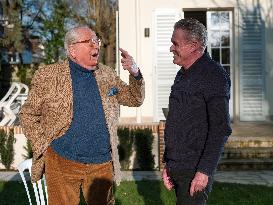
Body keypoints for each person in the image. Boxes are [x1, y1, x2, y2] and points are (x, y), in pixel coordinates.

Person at [20, 26, 145, 205]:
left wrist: (135, 73)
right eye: (89, 41)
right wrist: (44, 145)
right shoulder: (48, 76)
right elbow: (28, 114)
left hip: (101, 163)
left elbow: (135, 99)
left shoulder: (107, 74)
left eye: (97, 40)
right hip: (61, 161)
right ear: (73, 50)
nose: (96, 45)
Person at [162, 18, 232, 205]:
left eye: (175, 44)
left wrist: (204, 171)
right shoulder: (182, 74)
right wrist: (168, 163)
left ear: (193, 46)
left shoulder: (214, 76)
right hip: (178, 167)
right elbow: (176, 121)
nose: (171, 48)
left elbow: (220, 128)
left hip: (195, 170)